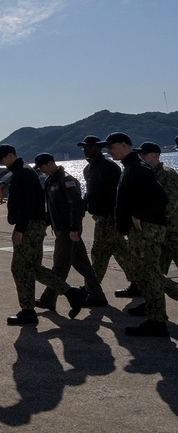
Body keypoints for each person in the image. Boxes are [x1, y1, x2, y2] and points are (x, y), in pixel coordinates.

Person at [0, 144, 86, 325]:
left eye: (3, 159)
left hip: (29, 226)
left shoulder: (23, 174)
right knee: (32, 267)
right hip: (33, 225)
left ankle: (29, 310)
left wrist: (20, 229)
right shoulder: (24, 172)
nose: (2, 163)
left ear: (10, 155)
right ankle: (72, 294)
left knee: (20, 268)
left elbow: (27, 204)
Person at [105, 132, 178, 337]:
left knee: (150, 273)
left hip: (150, 230)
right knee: (147, 273)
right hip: (145, 230)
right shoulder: (132, 166)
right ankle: (153, 314)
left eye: (111, 147)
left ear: (123, 145)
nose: (109, 151)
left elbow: (161, 199)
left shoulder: (138, 168)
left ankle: (156, 320)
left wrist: (139, 214)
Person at [33, 153, 107, 310]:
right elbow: (53, 208)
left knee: (60, 266)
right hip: (62, 229)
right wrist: (46, 222)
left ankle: (48, 299)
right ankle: (97, 296)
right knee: (84, 266)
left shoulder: (66, 180)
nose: (42, 170)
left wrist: (74, 228)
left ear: (51, 163)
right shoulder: (50, 181)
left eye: (43, 167)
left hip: (68, 230)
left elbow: (77, 205)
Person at [78, 135, 136, 297]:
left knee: (99, 252)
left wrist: (121, 216)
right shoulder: (88, 169)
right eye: (84, 148)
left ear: (98, 148)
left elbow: (121, 194)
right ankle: (138, 282)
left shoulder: (110, 168)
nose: (85, 150)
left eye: (88, 147)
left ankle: (92, 288)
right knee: (120, 251)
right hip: (99, 216)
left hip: (110, 216)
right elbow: (89, 192)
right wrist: (82, 208)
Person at [134, 142, 178, 279]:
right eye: (139, 154)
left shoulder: (166, 173)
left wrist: (155, 222)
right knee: (155, 272)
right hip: (161, 232)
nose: (141, 156)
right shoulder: (149, 173)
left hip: (172, 231)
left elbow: (171, 203)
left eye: (144, 154)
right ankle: (152, 300)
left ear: (156, 155)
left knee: (156, 272)